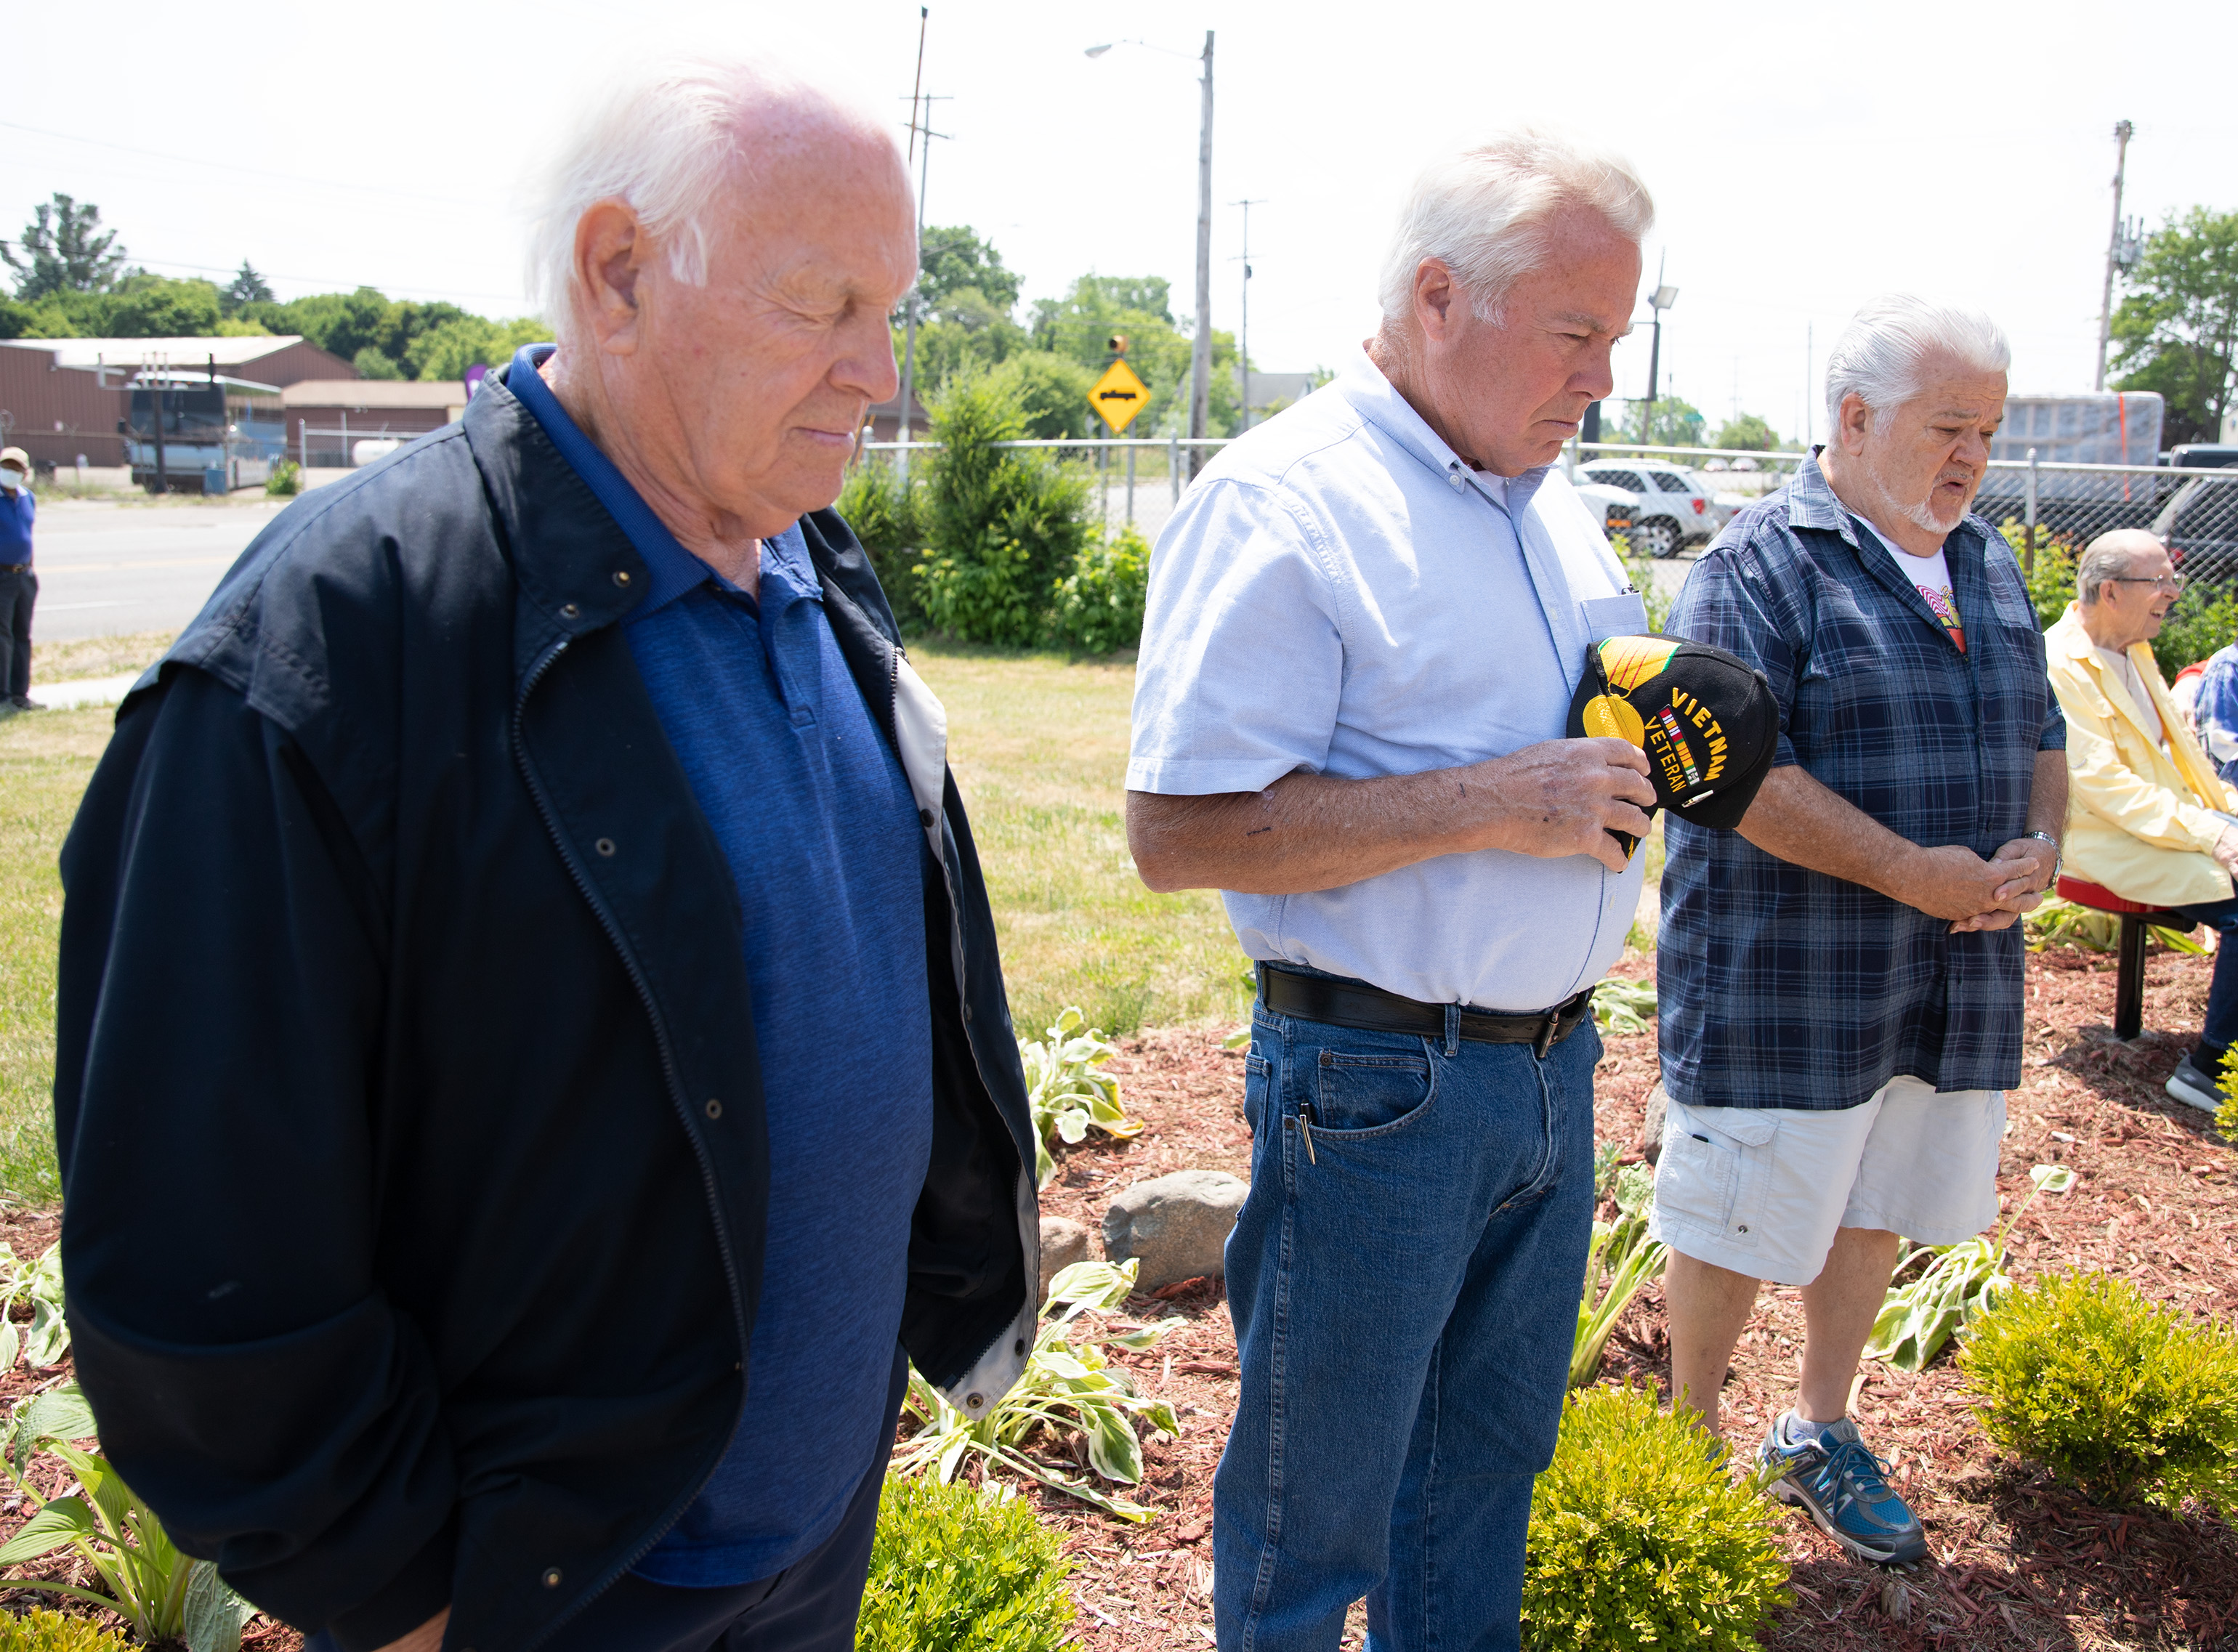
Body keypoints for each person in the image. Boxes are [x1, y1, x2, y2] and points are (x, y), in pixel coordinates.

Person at [56, 56, 1038, 1652]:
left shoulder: (807, 563)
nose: (880, 373)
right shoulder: (327, 651)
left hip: (804, 1554)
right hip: (551, 1596)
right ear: (619, 273)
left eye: (893, 312)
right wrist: (409, 1601)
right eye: (822, 305)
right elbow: (196, 1249)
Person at [1127, 127, 1660, 1651]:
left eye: (1614, 339)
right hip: (1376, 1083)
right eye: (1575, 335)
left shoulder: (1544, 497)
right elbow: (1179, 834)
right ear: (1439, 295)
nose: (1601, 380)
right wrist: (1502, 800)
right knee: (1319, 1515)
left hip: (1550, 1073)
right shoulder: (1285, 501)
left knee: (1481, 1484)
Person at [1655, 296, 2065, 1567]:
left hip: (1946, 977)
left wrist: (2041, 845)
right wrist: (1907, 869)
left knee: (1876, 1196)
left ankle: (1817, 1425)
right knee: (1733, 1220)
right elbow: (1729, 774)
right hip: (1790, 980)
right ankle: (1686, 1448)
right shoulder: (1757, 564)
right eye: (1950, 426)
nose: (1972, 457)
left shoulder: (1988, 559)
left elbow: (2044, 731)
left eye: (1988, 433)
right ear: (1853, 419)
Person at [2044, 530, 2238, 1114]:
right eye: (2160, 582)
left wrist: (2224, 813)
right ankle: (2207, 1070)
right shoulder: (2060, 660)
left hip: (2164, 828)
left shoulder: (2135, 649)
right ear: (2110, 590)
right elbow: (2104, 789)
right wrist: (2216, 833)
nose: (2173, 594)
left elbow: (2180, 761)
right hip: (2103, 841)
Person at [0, 446, 40, 713]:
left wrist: (30, 569)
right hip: (1, 575)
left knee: (22, 635)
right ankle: (2, 697)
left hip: (24, 575)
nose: (10, 473)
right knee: (2, 637)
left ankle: (20, 694)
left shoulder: (28, 498)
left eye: (16, 469)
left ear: (25, 473)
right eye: (6, 467)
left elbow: (26, 535)